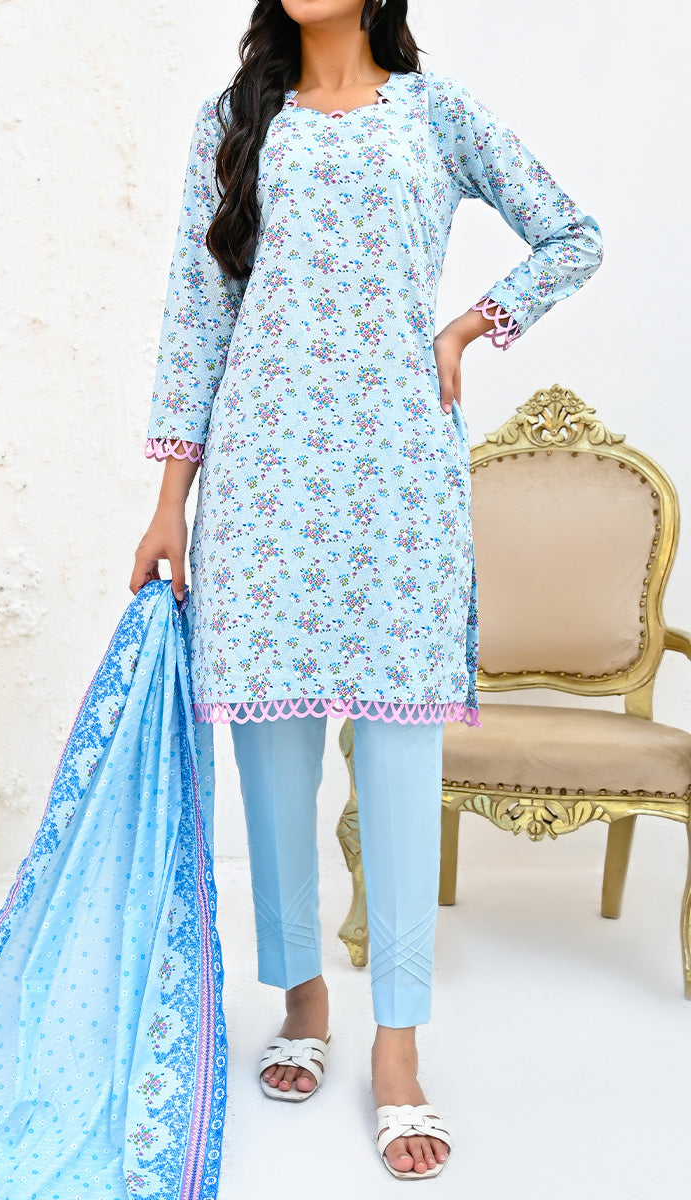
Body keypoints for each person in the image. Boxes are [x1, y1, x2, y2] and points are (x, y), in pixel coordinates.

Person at [130, 0, 603, 1180]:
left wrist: (465, 330)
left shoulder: (432, 115)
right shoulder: (235, 121)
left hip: (395, 480)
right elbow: (197, 312)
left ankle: (398, 1044)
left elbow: (570, 234)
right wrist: (169, 501)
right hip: (263, 482)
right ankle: (300, 997)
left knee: (398, 762)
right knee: (273, 763)